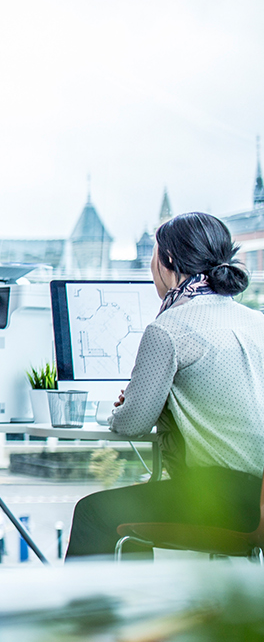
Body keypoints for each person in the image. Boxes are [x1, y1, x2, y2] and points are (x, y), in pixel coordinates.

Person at [66, 212, 264, 559]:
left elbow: (132, 424)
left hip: (226, 500)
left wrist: (127, 407)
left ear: (168, 260)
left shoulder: (169, 328)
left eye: (154, 256)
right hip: (257, 496)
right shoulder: (255, 321)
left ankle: (104, 615)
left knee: (95, 514)